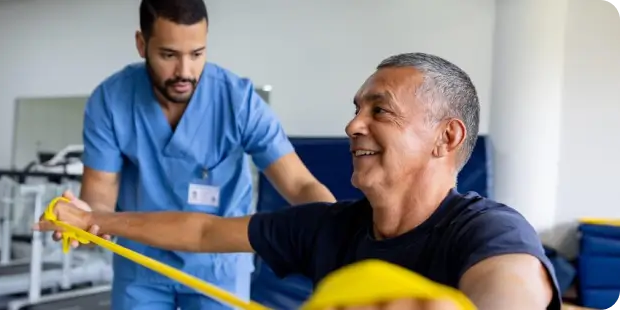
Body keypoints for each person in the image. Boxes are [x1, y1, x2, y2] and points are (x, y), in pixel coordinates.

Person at [37, 52, 561, 309]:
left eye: (381, 110)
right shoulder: (327, 228)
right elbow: (201, 233)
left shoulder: (487, 229)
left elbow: (510, 289)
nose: (354, 124)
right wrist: (96, 218)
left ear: (446, 138)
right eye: (356, 109)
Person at [63, 0, 336, 309]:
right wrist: (85, 219)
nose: (185, 72)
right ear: (142, 44)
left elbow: (299, 185)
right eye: (168, 55)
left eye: (197, 54)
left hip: (218, 265)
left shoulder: (238, 101)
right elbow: (99, 198)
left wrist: (341, 235)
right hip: (141, 262)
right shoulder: (111, 100)